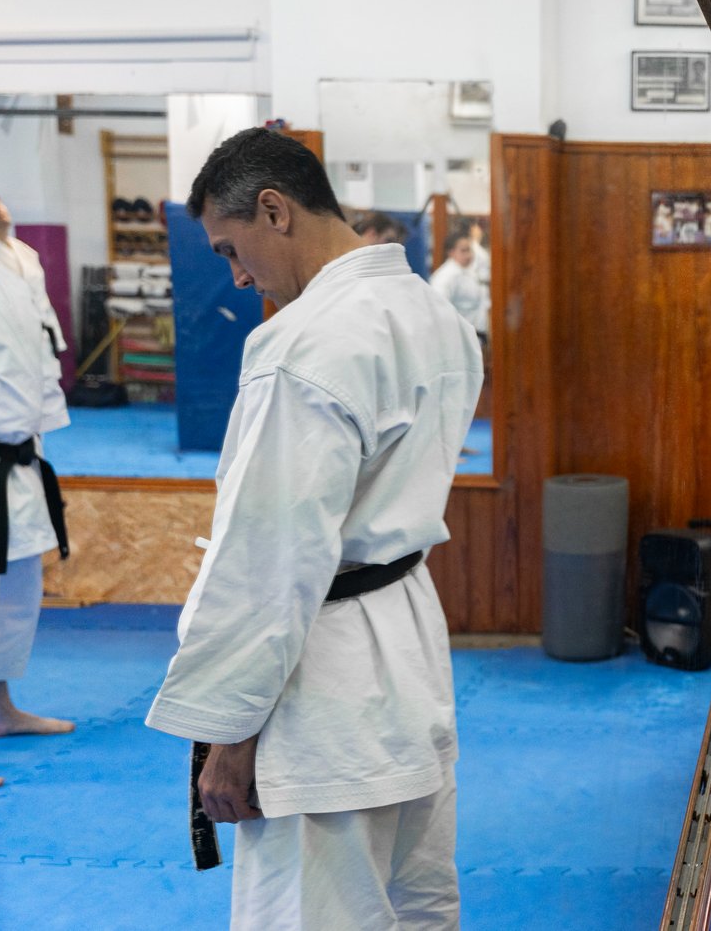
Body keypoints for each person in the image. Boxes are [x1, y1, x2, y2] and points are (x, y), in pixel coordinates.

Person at [144, 129, 481, 927]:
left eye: (233, 247)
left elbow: (267, 559)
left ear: (275, 209)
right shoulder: (435, 317)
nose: (235, 274)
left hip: (321, 684)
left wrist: (229, 733)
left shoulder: (302, 347)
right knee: (418, 903)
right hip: (406, 656)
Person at [0, 168, 74, 797]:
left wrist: (1, 233)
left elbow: (40, 326)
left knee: (12, 602)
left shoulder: (1, 266)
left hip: (17, 460)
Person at [0, 192, 68, 356]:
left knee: (50, 379)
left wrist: (55, 337)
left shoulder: (25, 250)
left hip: (44, 334)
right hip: (10, 340)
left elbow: (40, 298)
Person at [431, 229, 490, 344]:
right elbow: (440, 313)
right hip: (459, 340)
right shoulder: (444, 277)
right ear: (451, 252)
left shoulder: (470, 271)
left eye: (470, 250)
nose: (469, 255)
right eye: (464, 251)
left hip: (477, 336)